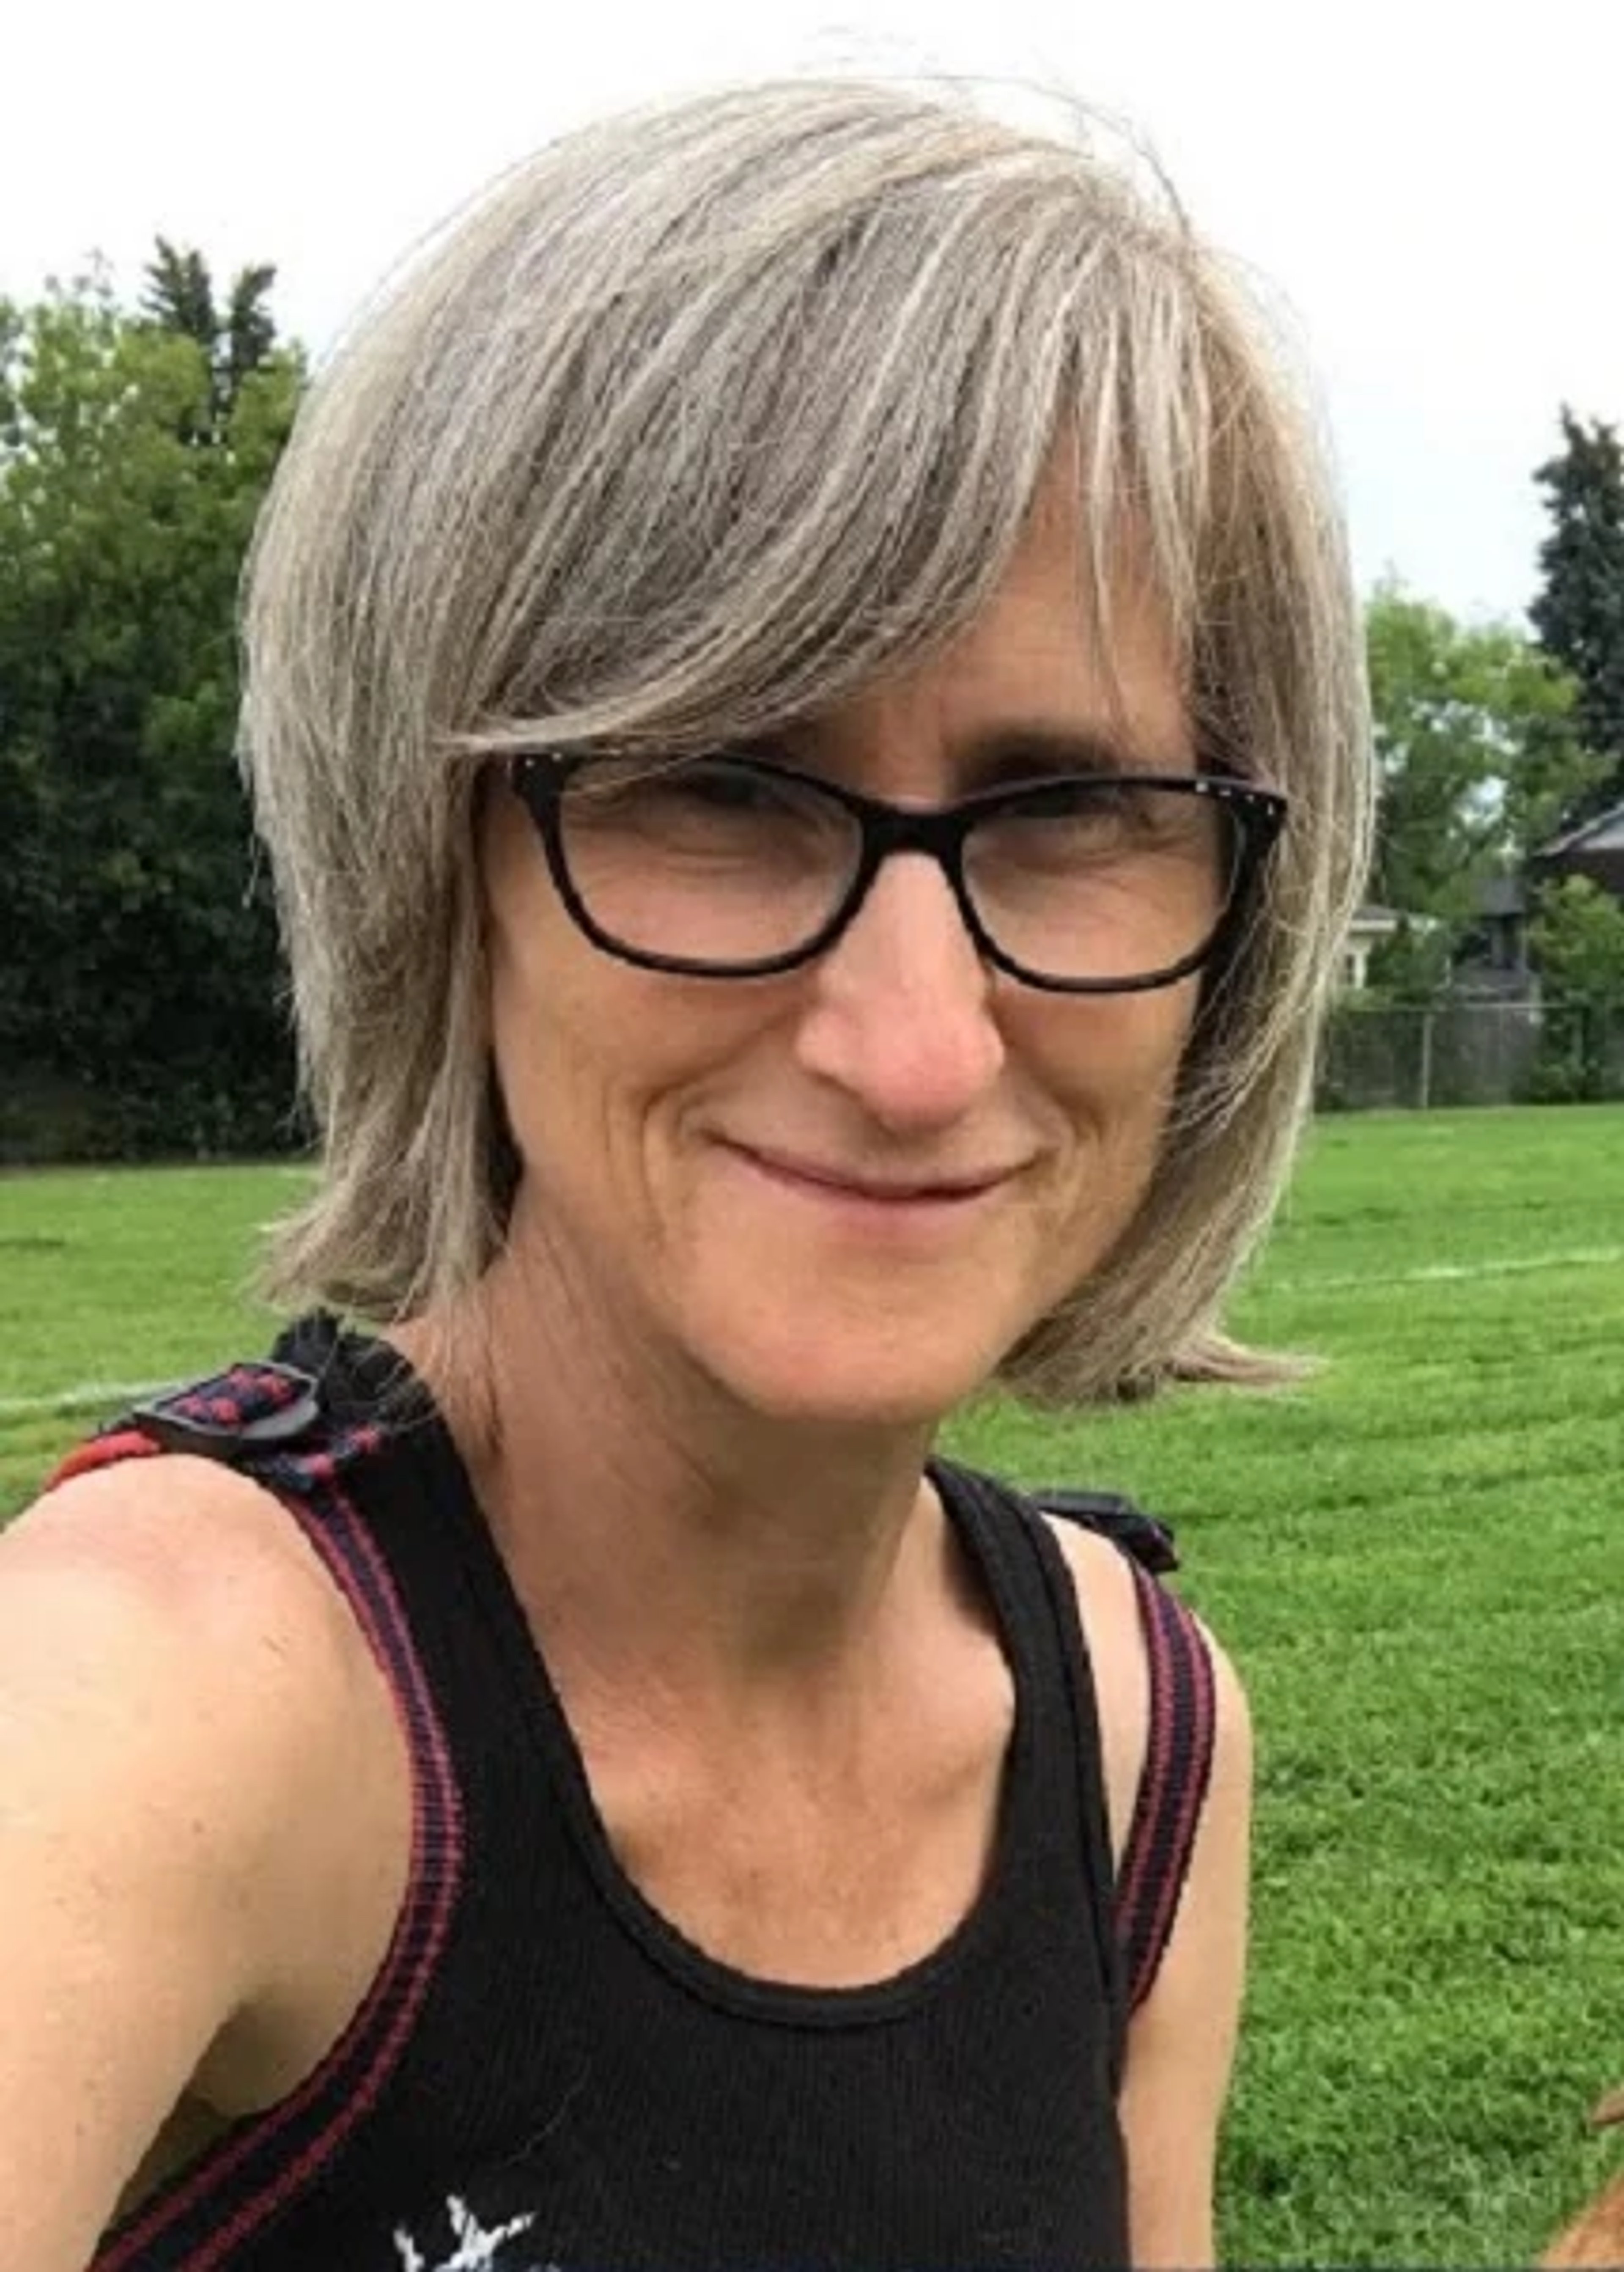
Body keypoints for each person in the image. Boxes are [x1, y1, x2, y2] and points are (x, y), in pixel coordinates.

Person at [1, 76, 1372, 2272]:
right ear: (436, 863)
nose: (918, 1047)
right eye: (724, 788)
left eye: (1067, 804)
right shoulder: (160, 1694)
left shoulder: (1143, 1727)